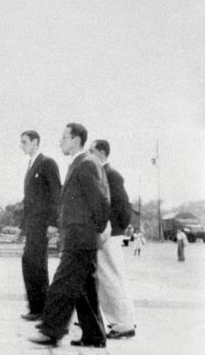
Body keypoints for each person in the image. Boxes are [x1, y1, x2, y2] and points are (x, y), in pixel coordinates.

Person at [30, 123, 109, 348]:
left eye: (64, 137)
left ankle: (51, 331)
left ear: (76, 140)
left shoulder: (86, 164)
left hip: (80, 236)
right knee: (84, 288)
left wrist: (95, 229)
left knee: (62, 284)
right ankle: (94, 336)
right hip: (79, 235)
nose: (60, 141)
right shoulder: (80, 163)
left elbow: (100, 201)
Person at [90, 139, 136, 339]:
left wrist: (114, 229)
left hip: (109, 235)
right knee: (109, 278)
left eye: (91, 151)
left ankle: (123, 325)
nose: (89, 155)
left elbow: (123, 208)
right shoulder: (103, 174)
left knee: (111, 279)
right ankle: (122, 321)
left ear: (101, 152)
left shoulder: (111, 175)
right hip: (106, 233)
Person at [19, 130, 61, 321]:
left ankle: (41, 309)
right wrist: (23, 227)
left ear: (35, 142)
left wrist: (53, 223)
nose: (22, 146)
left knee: (37, 264)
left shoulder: (47, 163)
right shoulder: (31, 165)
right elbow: (29, 199)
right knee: (30, 262)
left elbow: (56, 194)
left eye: (24, 142)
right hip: (32, 224)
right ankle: (36, 307)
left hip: (42, 223)